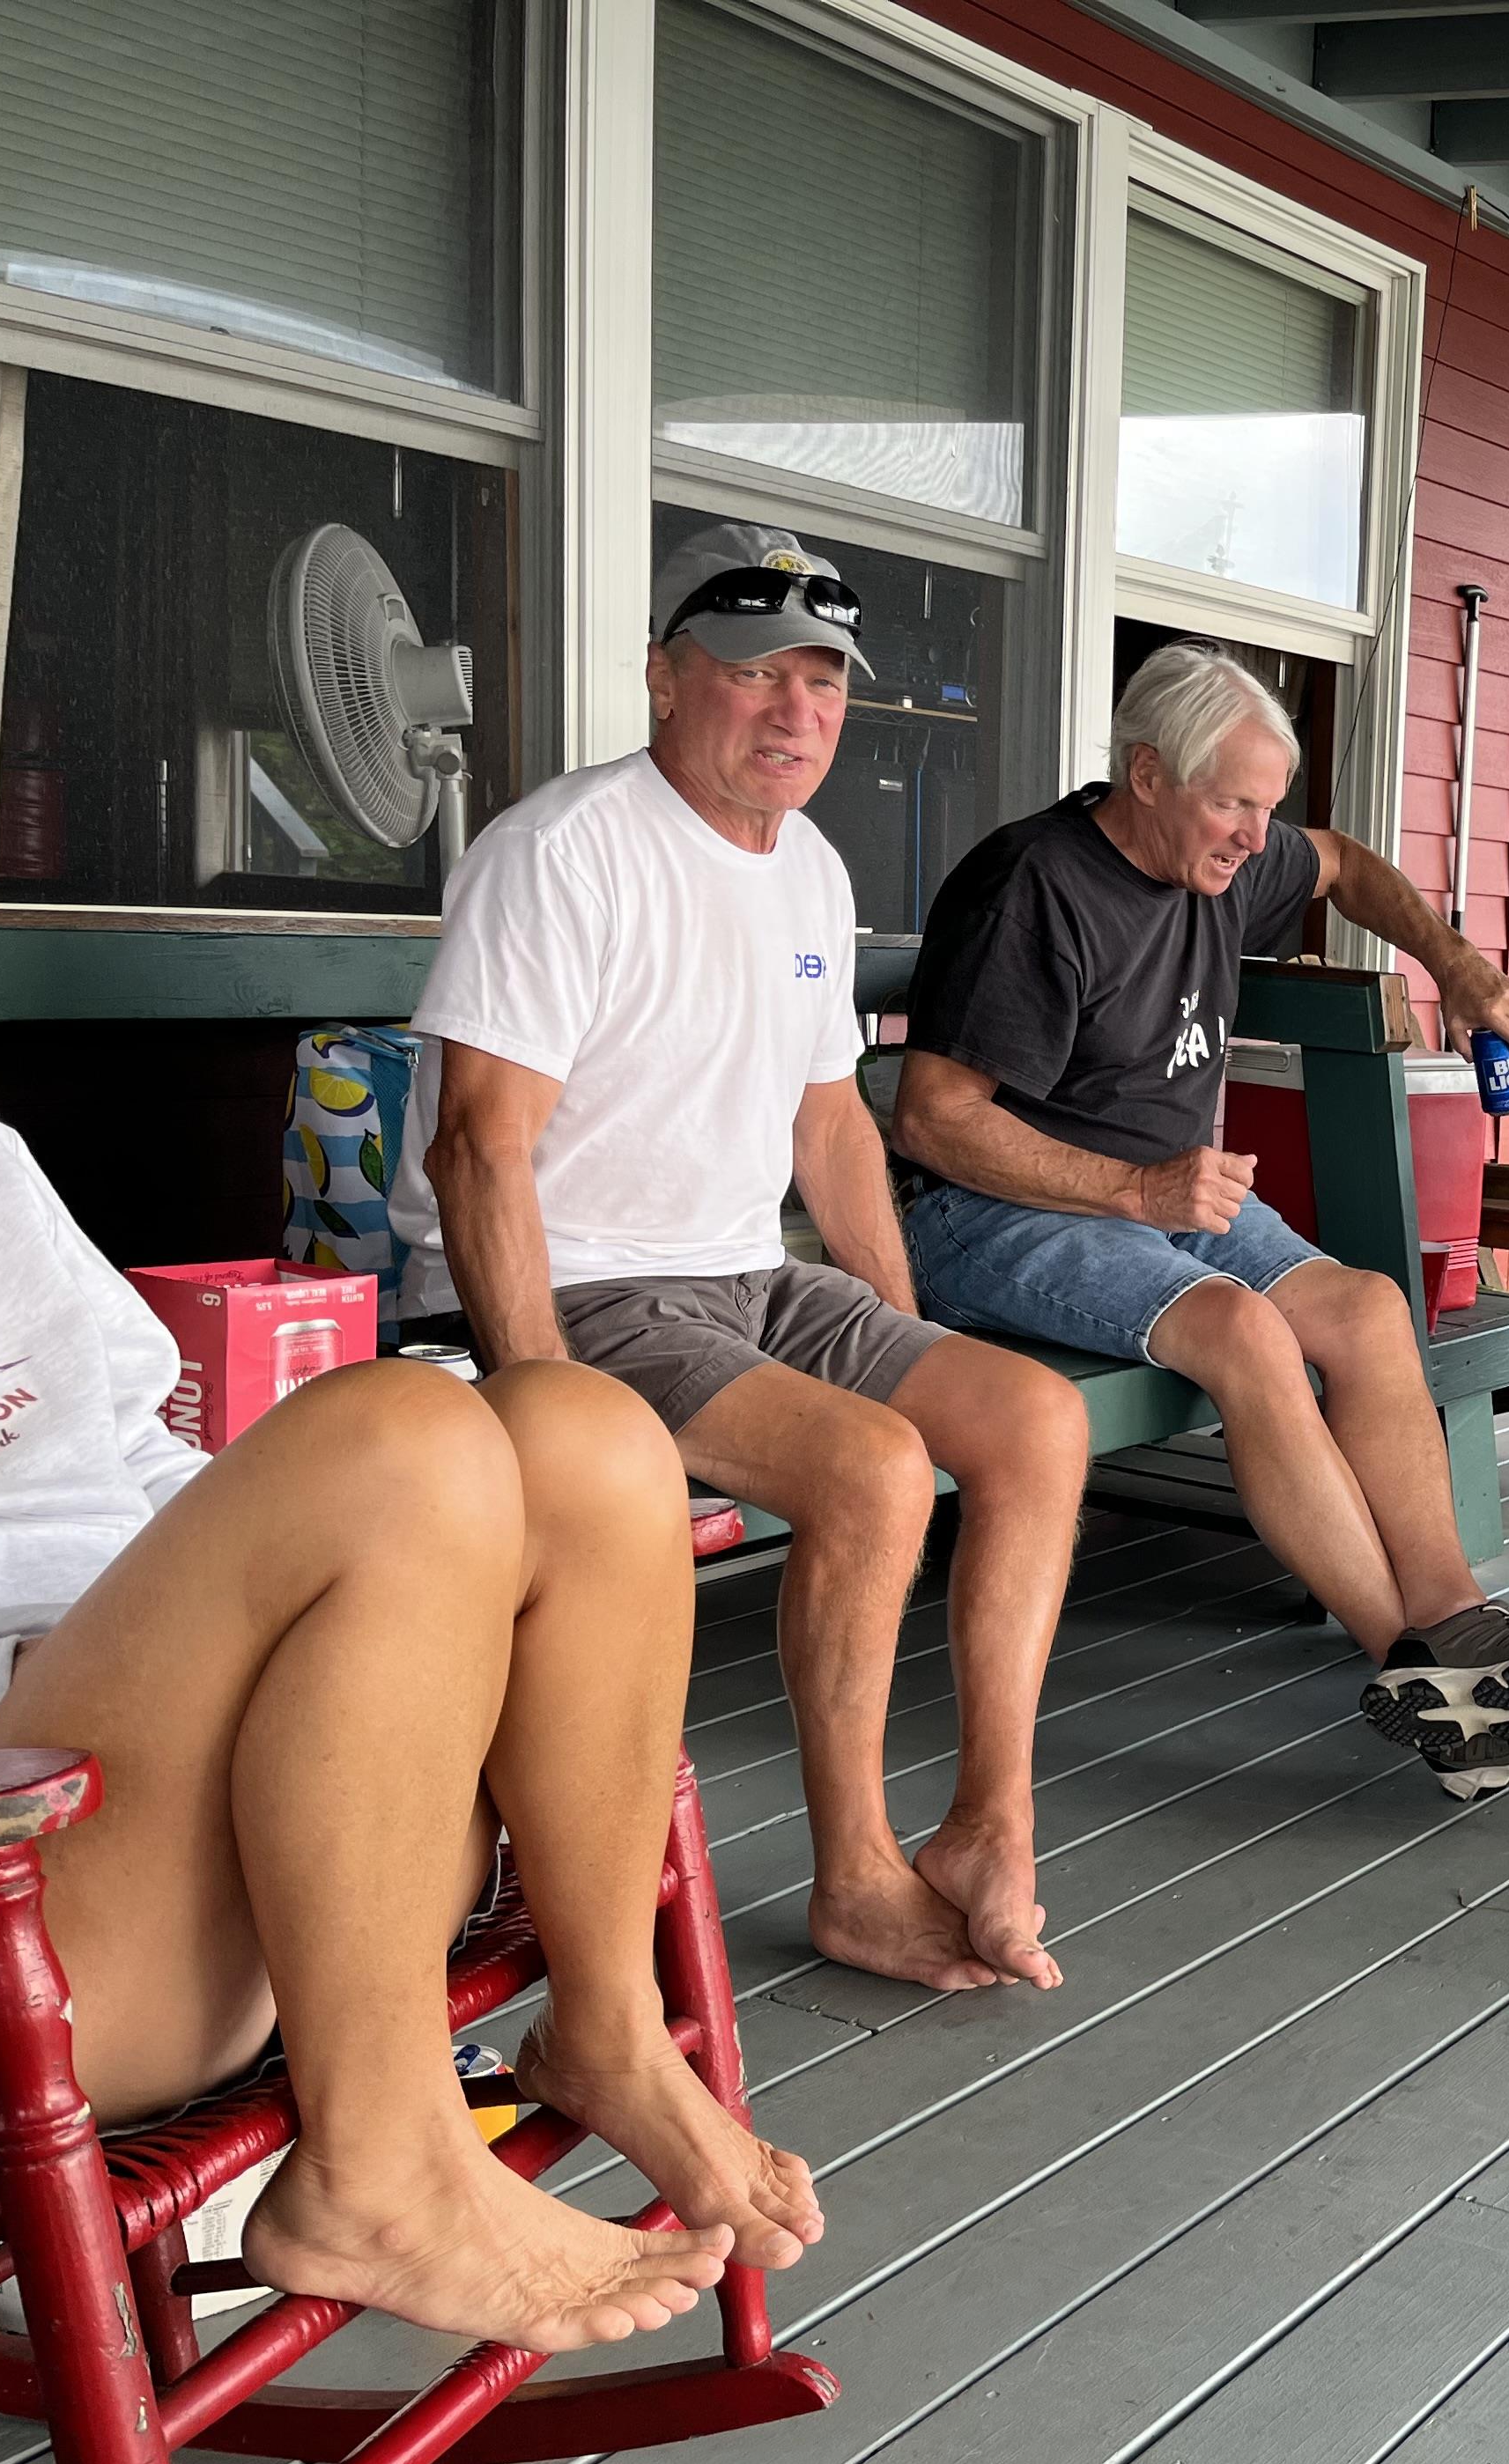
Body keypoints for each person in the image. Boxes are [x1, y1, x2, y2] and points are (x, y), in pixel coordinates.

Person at [0, 1087, 819, 2355]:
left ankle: (609, 2028)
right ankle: (378, 2166)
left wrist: (208, 1631)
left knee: (579, 1430)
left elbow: (133, 1447)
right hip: (17, 1899)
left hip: (272, 1852)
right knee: (394, 1436)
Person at [392, 521, 1093, 1998]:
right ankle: (854, 1873)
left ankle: (988, 1828)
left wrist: (912, 1348)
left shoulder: (809, 873)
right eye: (752, 671)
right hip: (577, 1280)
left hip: (748, 1276)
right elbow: (479, 1147)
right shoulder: (561, 851)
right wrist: (545, 1406)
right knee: (872, 1470)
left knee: (1033, 1419)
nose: (795, 710)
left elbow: (830, 1123)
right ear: (664, 676)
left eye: (822, 681)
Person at [891, 644, 1509, 1797]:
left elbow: (1339, 866)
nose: (1253, 835)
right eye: (1232, 803)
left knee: (1368, 1309)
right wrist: (1135, 1194)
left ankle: (1454, 1617)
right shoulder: (1033, 887)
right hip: (999, 1211)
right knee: (1243, 1334)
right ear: (1146, 774)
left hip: (1166, 1196)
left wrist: (1460, 966)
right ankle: (1416, 1668)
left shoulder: (1228, 858)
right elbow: (933, 1119)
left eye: (1265, 806)